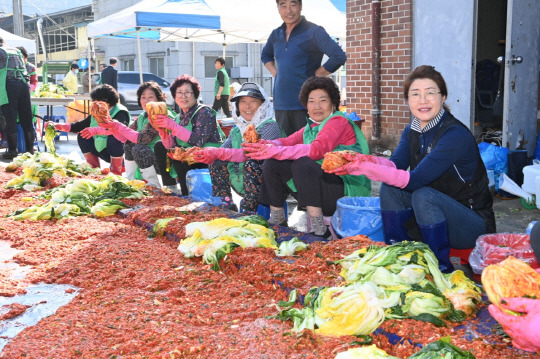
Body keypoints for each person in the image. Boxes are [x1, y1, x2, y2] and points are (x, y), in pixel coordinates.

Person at [327, 65, 496, 273]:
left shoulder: (454, 135)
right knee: (390, 189)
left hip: (471, 224)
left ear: (443, 97)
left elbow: (415, 180)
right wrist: (361, 160)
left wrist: (365, 168)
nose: (423, 100)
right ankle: (396, 256)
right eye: (415, 94)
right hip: (431, 216)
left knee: (424, 195)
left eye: (430, 93)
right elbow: (394, 166)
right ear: (407, 100)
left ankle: (439, 269)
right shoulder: (412, 130)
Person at [243, 76, 370, 237]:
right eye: (311, 101)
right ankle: (278, 218)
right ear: (306, 105)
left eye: (322, 100)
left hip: (346, 192)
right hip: (322, 190)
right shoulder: (311, 127)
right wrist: (264, 145)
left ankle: (319, 228)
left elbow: (317, 150)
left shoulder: (338, 122)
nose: (317, 106)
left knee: (303, 163)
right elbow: (285, 142)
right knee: (273, 162)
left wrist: (273, 150)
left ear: (333, 103)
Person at [193, 82, 283, 213]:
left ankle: (249, 211)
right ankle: (227, 204)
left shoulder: (270, 126)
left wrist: (218, 153)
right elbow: (221, 152)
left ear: (262, 105)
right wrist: (206, 154)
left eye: (253, 101)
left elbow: (250, 153)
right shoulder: (238, 130)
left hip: (271, 185)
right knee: (215, 159)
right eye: (243, 102)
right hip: (241, 180)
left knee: (252, 161)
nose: (247, 106)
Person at [261, 0, 347, 136]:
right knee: (285, 150)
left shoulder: (314, 31)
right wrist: (274, 72)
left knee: (307, 151)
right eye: (283, 5)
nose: (288, 10)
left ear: (300, 6)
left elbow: (338, 56)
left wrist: (318, 74)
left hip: (306, 104)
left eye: (293, 4)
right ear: (278, 8)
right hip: (281, 103)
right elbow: (265, 55)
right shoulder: (276, 34)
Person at [151, 74, 225, 195]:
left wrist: (172, 126)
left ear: (195, 94)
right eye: (179, 93)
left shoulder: (204, 112)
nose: (183, 96)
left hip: (207, 159)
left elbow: (198, 141)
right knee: (161, 146)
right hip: (188, 156)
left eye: (188, 92)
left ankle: (188, 194)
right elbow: (171, 145)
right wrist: (162, 132)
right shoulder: (178, 117)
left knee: (181, 156)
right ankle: (171, 188)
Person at [96, 81, 177, 188]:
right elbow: (126, 137)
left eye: (150, 97)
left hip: (167, 163)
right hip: (151, 159)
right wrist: (108, 127)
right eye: (143, 97)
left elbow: (141, 139)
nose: (146, 100)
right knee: (129, 144)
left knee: (138, 148)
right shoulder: (143, 116)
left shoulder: (159, 115)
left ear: (159, 99)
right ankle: (130, 179)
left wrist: (117, 125)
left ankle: (154, 186)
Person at [48, 84, 129, 175]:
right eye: (95, 100)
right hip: (99, 147)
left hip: (117, 151)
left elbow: (121, 130)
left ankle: (116, 171)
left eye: (100, 101)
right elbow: (79, 126)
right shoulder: (96, 111)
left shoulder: (120, 112)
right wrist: (59, 126)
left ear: (109, 101)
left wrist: (96, 130)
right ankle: (93, 169)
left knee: (114, 138)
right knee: (83, 135)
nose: (96, 103)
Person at [0, 36, 33, 159]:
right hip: (24, 84)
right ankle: (30, 151)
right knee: (27, 118)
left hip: (9, 85)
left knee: (11, 119)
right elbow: (25, 68)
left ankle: (12, 151)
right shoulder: (16, 50)